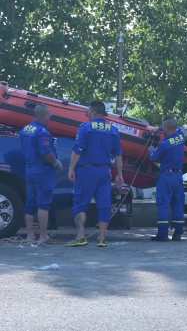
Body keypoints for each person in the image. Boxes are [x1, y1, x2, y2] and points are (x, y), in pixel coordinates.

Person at [67, 101, 124, 247]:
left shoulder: (85, 128)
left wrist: (71, 168)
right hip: (105, 171)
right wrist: (120, 174)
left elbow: (77, 150)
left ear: (92, 112)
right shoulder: (113, 130)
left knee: (80, 204)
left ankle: (80, 236)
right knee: (104, 204)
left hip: (86, 171)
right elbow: (118, 155)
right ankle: (102, 239)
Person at [19, 104, 62, 244]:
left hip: (29, 169)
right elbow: (45, 153)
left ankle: (30, 236)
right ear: (43, 115)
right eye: (49, 115)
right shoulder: (42, 132)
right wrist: (56, 163)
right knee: (43, 204)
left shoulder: (25, 129)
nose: (50, 117)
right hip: (43, 171)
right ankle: (43, 236)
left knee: (30, 204)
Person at [148, 118, 185, 242]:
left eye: (163, 128)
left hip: (166, 177)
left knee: (163, 204)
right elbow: (177, 129)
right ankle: (178, 233)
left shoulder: (165, 144)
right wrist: (160, 128)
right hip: (178, 176)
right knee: (178, 204)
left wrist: (151, 149)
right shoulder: (180, 137)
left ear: (167, 128)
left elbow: (154, 158)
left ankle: (163, 234)